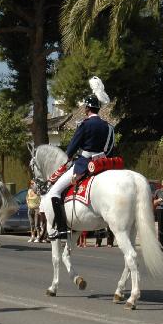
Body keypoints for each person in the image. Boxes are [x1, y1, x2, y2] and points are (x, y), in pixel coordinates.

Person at [45, 77, 115, 240]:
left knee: (54, 192)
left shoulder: (84, 124)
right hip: (103, 164)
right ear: (98, 108)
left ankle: (62, 229)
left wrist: (66, 159)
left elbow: (71, 149)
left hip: (84, 164)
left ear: (87, 108)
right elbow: (111, 148)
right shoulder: (108, 127)